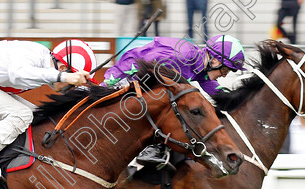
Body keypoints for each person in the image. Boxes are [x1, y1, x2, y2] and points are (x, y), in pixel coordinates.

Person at [0, 40, 93, 184]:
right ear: (62, 68)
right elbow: (18, 73)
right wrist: (64, 77)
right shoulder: (34, 54)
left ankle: (8, 162)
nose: (69, 88)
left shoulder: (43, 59)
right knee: (21, 114)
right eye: (70, 84)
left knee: (38, 116)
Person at [103, 35, 247, 168]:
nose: (223, 75)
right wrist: (110, 83)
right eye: (225, 70)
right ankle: (149, 149)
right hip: (125, 78)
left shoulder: (200, 66)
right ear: (215, 61)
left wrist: (236, 101)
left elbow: (214, 89)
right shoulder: (182, 57)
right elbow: (140, 64)